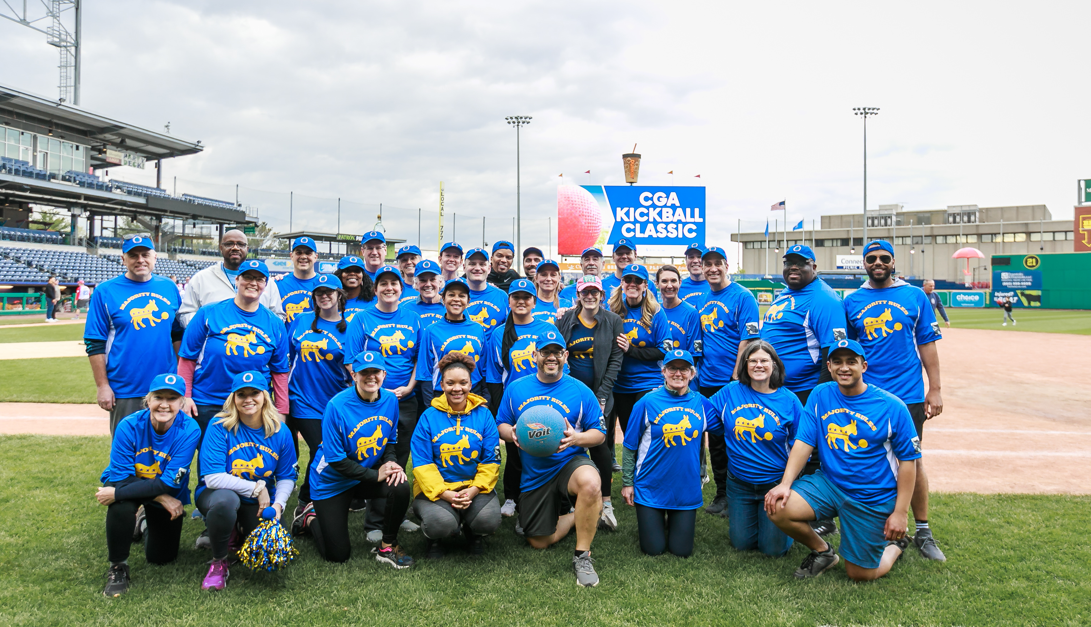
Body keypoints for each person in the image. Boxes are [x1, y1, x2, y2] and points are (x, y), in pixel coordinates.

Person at [765, 340, 920, 582]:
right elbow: (804, 442)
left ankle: (896, 546)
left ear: (864, 366)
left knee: (860, 574)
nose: (844, 367)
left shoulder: (892, 406)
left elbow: (909, 462)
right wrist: (785, 483)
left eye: (851, 362)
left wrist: (900, 512)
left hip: (871, 495)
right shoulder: (821, 394)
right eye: (837, 362)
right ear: (829, 366)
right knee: (778, 507)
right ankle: (823, 552)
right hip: (830, 484)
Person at [844, 240, 946, 561]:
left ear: (892, 262)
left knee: (911, 461)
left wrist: (936, 389)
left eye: (883, 258)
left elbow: (927, 345)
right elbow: (847, 352)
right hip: (867, 397)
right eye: (871, 258)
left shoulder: (914, 296)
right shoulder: (852, 301)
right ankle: (881, 524)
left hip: (908, 396)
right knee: (870, 460)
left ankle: (924, 531)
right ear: (864, 263)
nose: (878, 263)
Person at [495, 332, 607, 587]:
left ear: (566, 356)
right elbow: (501, 423)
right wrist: (510, 433)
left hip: (569, 463)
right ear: (535, 356)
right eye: (545, 352)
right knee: (538, 541)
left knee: (590, 483)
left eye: (557, 352)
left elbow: (599, 434)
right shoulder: (516, 388)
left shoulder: (580, 390)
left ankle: (582, 556)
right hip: (536, 471)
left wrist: (576, 439)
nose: (551, 357)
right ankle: (587, 514)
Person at [759, 244, 847, 536]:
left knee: (811, 452)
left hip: (805, 391)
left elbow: (831, 355)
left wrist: (819, 399)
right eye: (789, 264)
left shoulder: (824, 299)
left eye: (801, 264)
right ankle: (787, 502)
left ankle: (820, 515)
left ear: (814, 267)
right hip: (778, 390)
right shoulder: (786, 295)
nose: (793, 269)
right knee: (788, 447)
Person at [298, 351, 415, 568]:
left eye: (375, 372)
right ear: (354, 376)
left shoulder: (390, 400)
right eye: (364, 372)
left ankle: (387, 546)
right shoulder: (337, 406)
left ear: (384, 374)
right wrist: (375, 474)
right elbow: (335, 460)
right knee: (338, 555)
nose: (371, 377)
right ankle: (310, 517)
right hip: (331, 482)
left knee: (400, 484)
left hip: (361, 477)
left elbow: (389, 440)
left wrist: (390, 462)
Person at [97, 373, 201, 597]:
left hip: (163, 488)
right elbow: (122, 478)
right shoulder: (129, 425)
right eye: (158, 397)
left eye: (172, 399)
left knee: (161, 557)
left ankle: (143, 523)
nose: (164, 404)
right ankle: (118, 567)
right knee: (121, 502)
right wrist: (160, 497)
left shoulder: (190, 429)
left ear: (182, 403)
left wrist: (161, 492)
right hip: (132, 484)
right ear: (148, 400)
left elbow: (168, 482)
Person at [195, 371, 297, 590]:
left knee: (274, 552)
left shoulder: (280, 430)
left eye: (254, 393)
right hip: (217, 494)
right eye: (241, 394)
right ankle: (219, 561)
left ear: (265, 396)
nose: (248, 399)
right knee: (225, 502)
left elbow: (287, 476)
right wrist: (258, 488)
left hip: (257, 504)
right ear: (233, 398)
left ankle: (237, 530)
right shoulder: (219, 425)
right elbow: (213, 478)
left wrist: (278, 505)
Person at [346, 265, 422, 540]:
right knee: (375, 456)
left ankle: (396, 514)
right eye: (383, 283)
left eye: (395, 283)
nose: (389, 288)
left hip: (405, 399)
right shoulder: (362, 319)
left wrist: (409, 387)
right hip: (373, 401)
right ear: (375, 288)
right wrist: (376, 392)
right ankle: (374, 522)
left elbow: (418, 360)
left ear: (402, 289)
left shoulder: (413, 318)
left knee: (400, 456)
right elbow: (350, 361)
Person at [485, 278, 571, 517]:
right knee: (515, 451)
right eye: (516, 297)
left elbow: (564, 366)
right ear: (509, 301)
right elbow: (494, 376)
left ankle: (557, 494)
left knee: (550, 447)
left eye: (526, 297)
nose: (521, 301)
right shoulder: (499, 333)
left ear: (534, 301)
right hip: (516, 401)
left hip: (548, 398)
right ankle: (512, 497)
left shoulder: (547, 329)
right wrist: (502, 409)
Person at [708, 341, 803, 556]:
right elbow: (701, 411)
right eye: (753, 361)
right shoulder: (731, 391)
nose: (758, 365)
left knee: (772, 550)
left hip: (775, 484)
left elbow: (801, 446)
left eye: (764, 361)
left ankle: (788, 518)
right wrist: (673, 394)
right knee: (742, 544)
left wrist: (788, 483)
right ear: (745, 364)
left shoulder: (789, 401)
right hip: (739, 484)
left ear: (774, 365)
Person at [622, 350, 718, 557]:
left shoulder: (702, 403)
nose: (678, 373)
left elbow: (725, 426)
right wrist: (628, 482)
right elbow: (629, 446)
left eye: (684, 369)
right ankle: (656, 519)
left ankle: (671, 520)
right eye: (672, 368)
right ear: (663, 372)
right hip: (651, 486)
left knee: (681, 551)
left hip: (686, 488)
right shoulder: (646, 402)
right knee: (653, 549)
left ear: (692, 374)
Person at [178, 259, 290, 437]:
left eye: (259, 279)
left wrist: (281, 411)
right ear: (237, 280)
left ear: (265, 285)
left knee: (247, 462)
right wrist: (186, 397)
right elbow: (187, 358)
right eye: (247, 277)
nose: (253, 283)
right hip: (209, 401)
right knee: (210, 461)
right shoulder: (209, 313)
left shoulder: (275, 323)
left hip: (252, 404)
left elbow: (280, 372)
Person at [85, 236, 183, 436]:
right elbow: (95, 343)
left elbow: (176, 334)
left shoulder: (169, 287)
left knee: (167, 450)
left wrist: (182, 377)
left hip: (166, 385)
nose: (140, 260)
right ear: (123, 259)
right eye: (133, 255)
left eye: (145, 254)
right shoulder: (105, 291)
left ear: (154, 257)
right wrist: (103, 386)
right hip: (126, 387)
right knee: (127, 452)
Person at [411, 352, 502, 558]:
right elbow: (422, 464)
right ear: (442, 385)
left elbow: (492, 460)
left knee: (488, 520)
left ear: (471, 384)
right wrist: (445, 493)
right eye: (450, 383)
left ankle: (473, 532)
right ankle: (434, 538)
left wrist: (473, 490)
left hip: (473, 488)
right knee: (441, 524)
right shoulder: (428, 417)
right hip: (438, 490)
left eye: (463, 382)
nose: (457, 388)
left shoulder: (484, 415)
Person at [603, 263, 672, 530]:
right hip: (619, 385)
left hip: (648, 384)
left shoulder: (656, 313)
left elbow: (662, 352)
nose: (632, 284)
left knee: (651, 437)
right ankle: (627, 485)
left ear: (645, 286)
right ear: (623, 283)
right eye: (628, 280)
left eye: (638, 281)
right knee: (627, 436)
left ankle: (651, 486)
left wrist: (631, 350)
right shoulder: (612, 309)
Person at [696, 246, 761, 516]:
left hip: (733, 380)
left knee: (740, 435)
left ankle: (740, 494)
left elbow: (750, 339)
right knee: (716, 439)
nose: (712, 268)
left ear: (726, 266)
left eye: (717, 263)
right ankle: (722, 493)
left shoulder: (743, 297)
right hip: (707, 380)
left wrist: (736, 376)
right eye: (707, 264)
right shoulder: (702, 299)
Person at [556, 274, 625, 524]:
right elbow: (558, 352)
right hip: (570, 393)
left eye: (594, 291)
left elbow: (616, 359)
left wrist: (603, 395)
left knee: (600, 444)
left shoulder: (612, 321)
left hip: (600, 392)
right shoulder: (566, 319)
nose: (590, 296)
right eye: (585, 292)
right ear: (578, 295)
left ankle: (606, 503)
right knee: (566, 440)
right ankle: (567, 498)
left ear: (602, 295)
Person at [287, 274, 352, 522]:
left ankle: (327, 494)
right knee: (320, 449)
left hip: (334, 400)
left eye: (329, 292)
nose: (324, 296)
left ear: (338, 294)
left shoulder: (349, 327)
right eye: (319, 293)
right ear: (314, 297)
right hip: (302, 398)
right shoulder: (302, 321)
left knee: (333, 451)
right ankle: (307, 500)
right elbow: (287, 358)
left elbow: (352, 366)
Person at [178, 229, 283, 327]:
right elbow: (185, 314)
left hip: (255, 342)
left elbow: (279, 317)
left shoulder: (266, 282)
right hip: (213, 343)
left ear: (247, 249)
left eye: (240, 244)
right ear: (221, 248)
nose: (235, 248)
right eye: (229, 244)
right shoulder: (201, 278)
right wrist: (210, 327)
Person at [416, 278, 488, 405]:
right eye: (451, 295)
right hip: (442, 395)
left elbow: (484, 368)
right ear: (443, 299)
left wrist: (486, 400)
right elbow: (425, 373)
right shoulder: (431, 331)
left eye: (461, 295)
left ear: (468, 301)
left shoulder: (477, 329)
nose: (456, 299)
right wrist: (431, 406)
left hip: (473, 394)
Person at [656, 265, 702, 356]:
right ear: (657, 284)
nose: (669, 286)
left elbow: (695, 353)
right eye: (664, 281)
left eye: (673, 281)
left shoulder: (691, 313)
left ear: (680, 283)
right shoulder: (654, 312)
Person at [277, 236, 322, 325]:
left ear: (315, 257)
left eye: (308, 253)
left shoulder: (324, 284)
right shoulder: (278, 284)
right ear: (291, 256)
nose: (303, 257)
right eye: (299, 253)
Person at [464, 248, 509, 332]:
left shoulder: (502, 296)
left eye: (482, 264)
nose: (477, 268)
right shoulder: (457, 296)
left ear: (489, 268)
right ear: (464, 267)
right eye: (472, 264)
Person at [334, 255, 376, 322]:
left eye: (357, 271)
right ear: (339, 274)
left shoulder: (374, 300)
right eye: (347, 270)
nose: (352, 273)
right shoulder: (332, 301)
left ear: (363, 275)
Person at [531, 259, 572, 325]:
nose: (548, 279)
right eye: (544, 275)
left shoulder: (567, 305)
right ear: (536, 278)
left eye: (553, 275)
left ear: (559, 278)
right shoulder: (528, 304)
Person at [407, 258, 446, 327]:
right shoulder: (406, 309)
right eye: (423, 280)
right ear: (416, 283)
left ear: (440, 282)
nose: (428, 284)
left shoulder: (452, 307)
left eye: (432, 279)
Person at [678, 242, 711, 309]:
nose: (695, 261)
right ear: (686, 261)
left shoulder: (715, 286)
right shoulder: (678, 287)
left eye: (699, 257)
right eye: (691, 257)